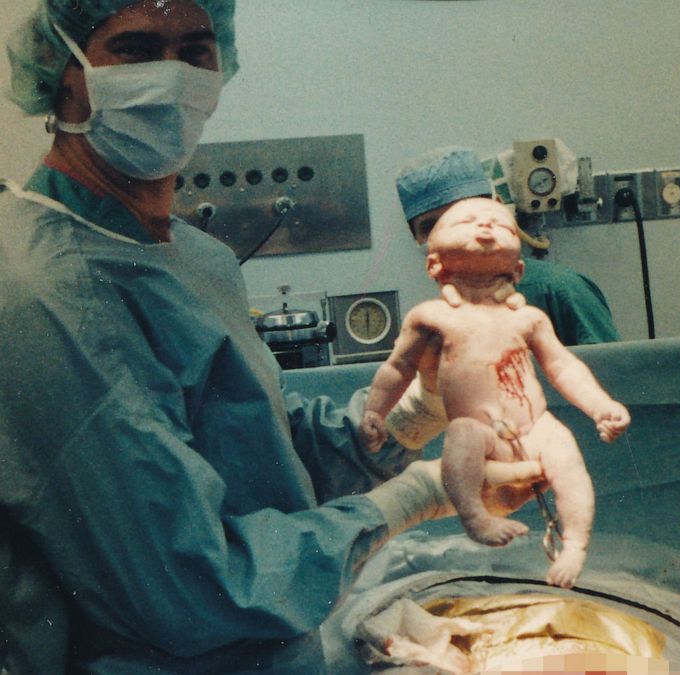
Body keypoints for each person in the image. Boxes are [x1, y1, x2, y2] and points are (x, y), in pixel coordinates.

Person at [0, 2, 540, 672]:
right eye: (135, 49)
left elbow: (266, 452)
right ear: (63, 71)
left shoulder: (192, 257)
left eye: (196, 50)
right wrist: (416, 496)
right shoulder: (51, 292)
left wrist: (413, 414)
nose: (171, 78)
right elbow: (186, 582)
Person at [359, 197, 630, 589]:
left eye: (499, 225)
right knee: (461, 435)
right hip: (478, 428)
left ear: (518, 268)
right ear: (434, 264)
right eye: (467, 222)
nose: (485, 226)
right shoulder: (431, 316)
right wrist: (375, 413)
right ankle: (475, 516)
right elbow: (397, 368)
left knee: (566, 455)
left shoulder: (528, 317)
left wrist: (600, 406)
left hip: (534, 424)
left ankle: (574, 544)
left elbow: (563, 367)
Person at [396, 146, 621, 347]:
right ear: (417, 239)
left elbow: (614, 378)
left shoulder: (560, 291)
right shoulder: (438, 319)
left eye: (465, 215)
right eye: (431, 225)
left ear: (498, 209)